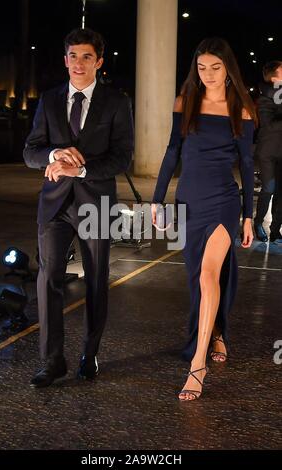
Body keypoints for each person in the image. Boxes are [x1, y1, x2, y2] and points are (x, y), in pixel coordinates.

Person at [24, 28, 134, 388]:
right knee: (48, 278)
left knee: (97, 281)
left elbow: (121, 158)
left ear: (99, 62)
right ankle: (52, 361)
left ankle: (90, 353)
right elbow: (31, 151)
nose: (78, 63)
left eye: (86, 56)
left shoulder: (117, 102)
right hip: (55, 204)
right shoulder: (50, 99)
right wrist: (54, 154)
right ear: (65, 59)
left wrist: (81, 167)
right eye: (73, 56)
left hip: (96, 203)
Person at [152, 37, 256, 401]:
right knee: (197, 278)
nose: (208, 74)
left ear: (228, 69)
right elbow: (170, 153)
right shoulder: (186, 102)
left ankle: (198, 364)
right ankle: (218, 334)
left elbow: (246, 164)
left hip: (223, 202)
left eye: (215, 67)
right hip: (188, 200)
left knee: (208, 274)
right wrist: (157, 200)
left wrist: (247, 215)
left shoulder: (241, 108)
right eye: (201, 67)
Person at [254, 61, 282, 243]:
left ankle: (275, 230)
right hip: (268, 152)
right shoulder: (264, 98)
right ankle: (257, 224)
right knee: (269, 189)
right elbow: (268, 126)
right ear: (274, 78)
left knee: (281, 192)